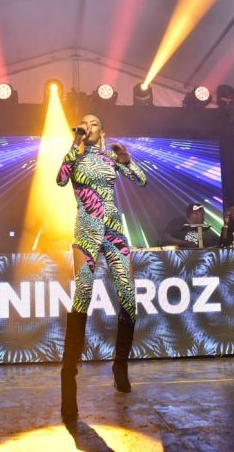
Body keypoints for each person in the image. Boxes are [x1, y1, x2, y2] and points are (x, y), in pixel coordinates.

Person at [56, 114, 147, 422]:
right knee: (82, 295)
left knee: (129, 299)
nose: (88, 126)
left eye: (93, 123)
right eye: (84, 122)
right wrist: (75, 142)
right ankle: (68, 380)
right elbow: (60, 178)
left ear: (102, 132)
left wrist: (127, 160)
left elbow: (140, 180)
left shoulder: (110, 158)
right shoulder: (75, 156)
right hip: (86, 231)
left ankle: (120, 366)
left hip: (114, 231)